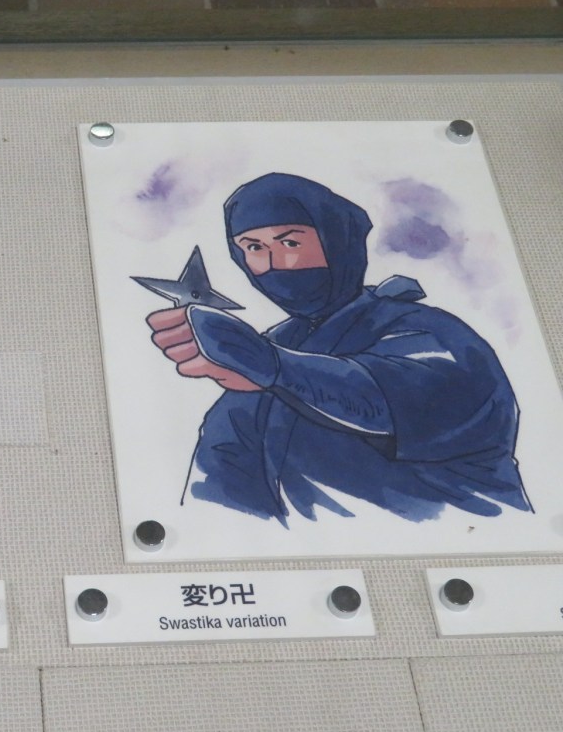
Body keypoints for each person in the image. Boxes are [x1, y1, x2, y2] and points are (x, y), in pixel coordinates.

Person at [146, 172, 530, 524]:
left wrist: (273, 366)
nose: (273, 263)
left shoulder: (426, 328)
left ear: (336, 239)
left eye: (290, 242)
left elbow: (385, 398)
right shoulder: (278, 343)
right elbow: (221, 467)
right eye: (253, 247)